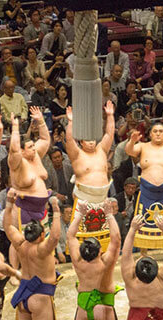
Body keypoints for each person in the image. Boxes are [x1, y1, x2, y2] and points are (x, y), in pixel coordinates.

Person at [67, 199, 123, 320]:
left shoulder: (77, 261)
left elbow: (71, 236)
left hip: (83, 306)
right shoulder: (105, 262)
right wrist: (109, 214)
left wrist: (79, 214)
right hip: (103, 307)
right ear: (100, 251)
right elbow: (116, 239)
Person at [5, 191, 61, 320]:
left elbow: (7, 226)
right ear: (41, 235)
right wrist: (57, 211)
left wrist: (9, 204)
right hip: (40, 296)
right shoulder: (42, 250)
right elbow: (55, 237)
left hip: (24, 294)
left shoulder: (21, 245)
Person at [125, 123, 163, 249]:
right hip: (147, 191)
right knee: (143, 221)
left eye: (161, 131)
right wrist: (132, 141)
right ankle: (143, 253)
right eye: (155, 131)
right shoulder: (143, 146)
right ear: (150, 134)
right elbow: (129, 151)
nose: (158, 133)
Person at [64, 102, 115, 246]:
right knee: (81, 237)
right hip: (83, 199)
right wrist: (71, 122)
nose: (91, 143)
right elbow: (69, 140)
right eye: (87, 140)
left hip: (102, 198)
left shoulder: (101, 150)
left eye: (93, 139)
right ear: (81, 141)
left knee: (103, 238)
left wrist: (110, 116)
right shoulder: (77, 155)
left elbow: (110, 133)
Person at [7, 108, 50, 231]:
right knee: (25, 245)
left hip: (42, 210)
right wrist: (15, 127)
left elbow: (45, 140)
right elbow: (14, 149)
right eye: (30, 147)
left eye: (33, 145)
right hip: (24, 210)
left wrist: (41, 121)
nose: (34, 148)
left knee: (43, 245)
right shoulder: (17, 163)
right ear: (22, 151)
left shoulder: (35, 155)